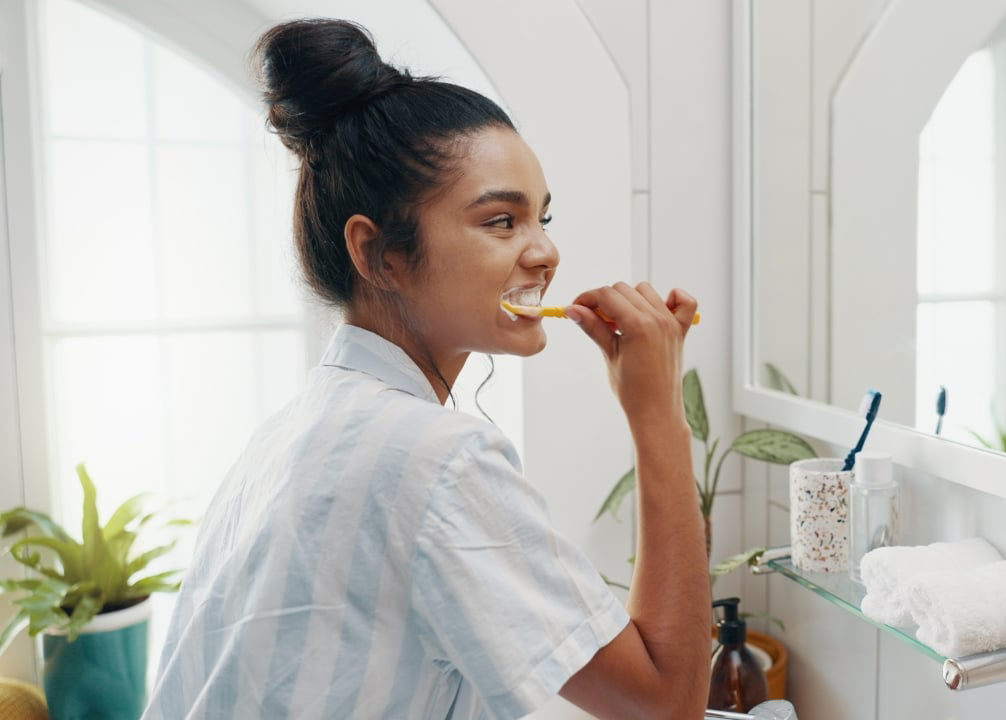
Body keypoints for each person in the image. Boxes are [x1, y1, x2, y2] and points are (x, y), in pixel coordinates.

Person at [143, 19, 710, 719]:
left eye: (543, 217)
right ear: (380, 255)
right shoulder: (435, 459)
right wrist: (658, 417)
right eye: (502, 222)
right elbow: (667, 705)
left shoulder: (300, 428)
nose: (544, 253)